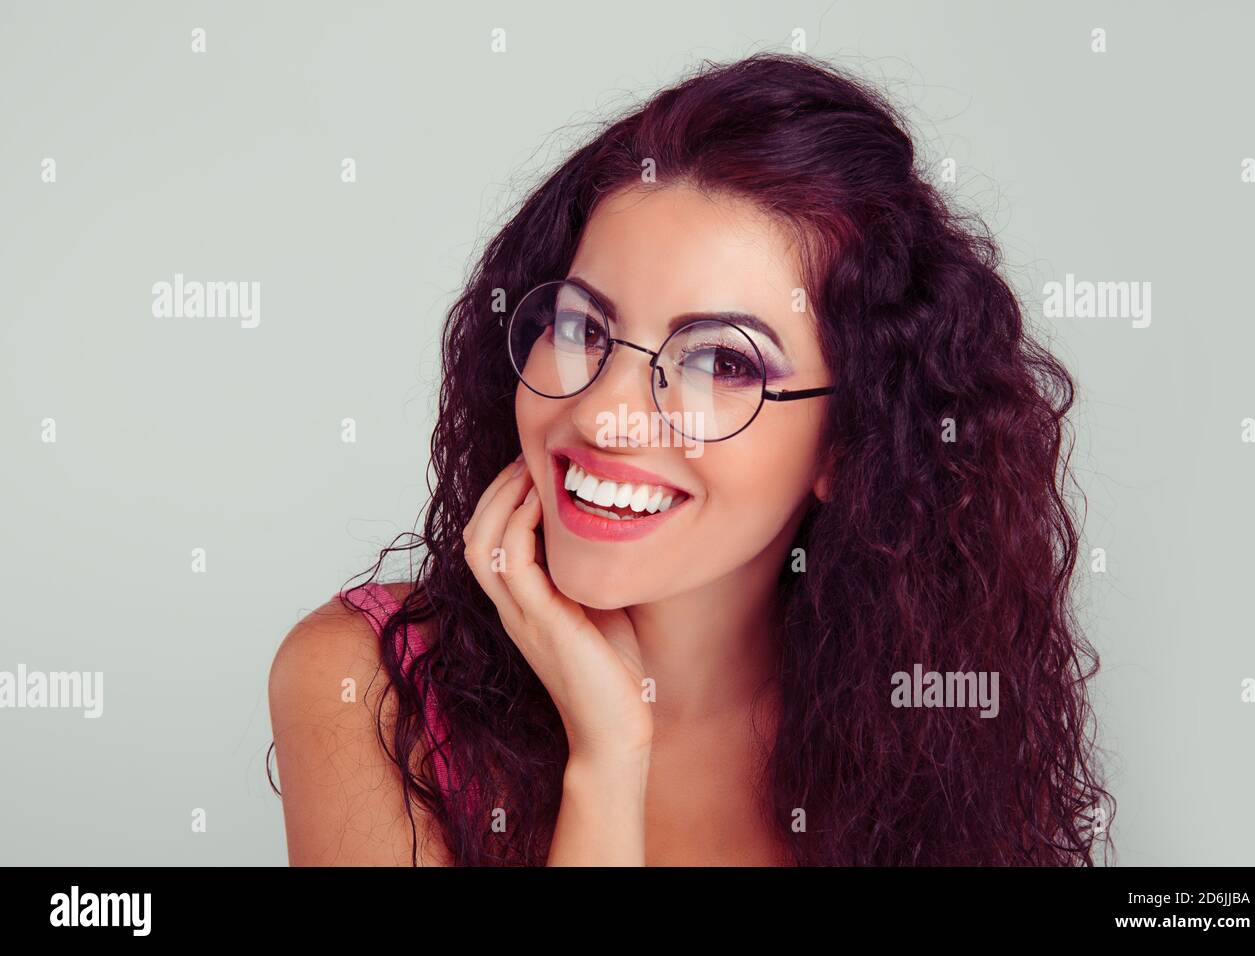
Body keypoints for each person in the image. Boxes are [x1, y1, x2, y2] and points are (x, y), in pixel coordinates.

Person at [268, 52, 1114, 866]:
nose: (603, 416)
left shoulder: (922, 732)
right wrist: (606, 763)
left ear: (851, 441)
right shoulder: (369, 688)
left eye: (722, 363)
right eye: (582, 328)